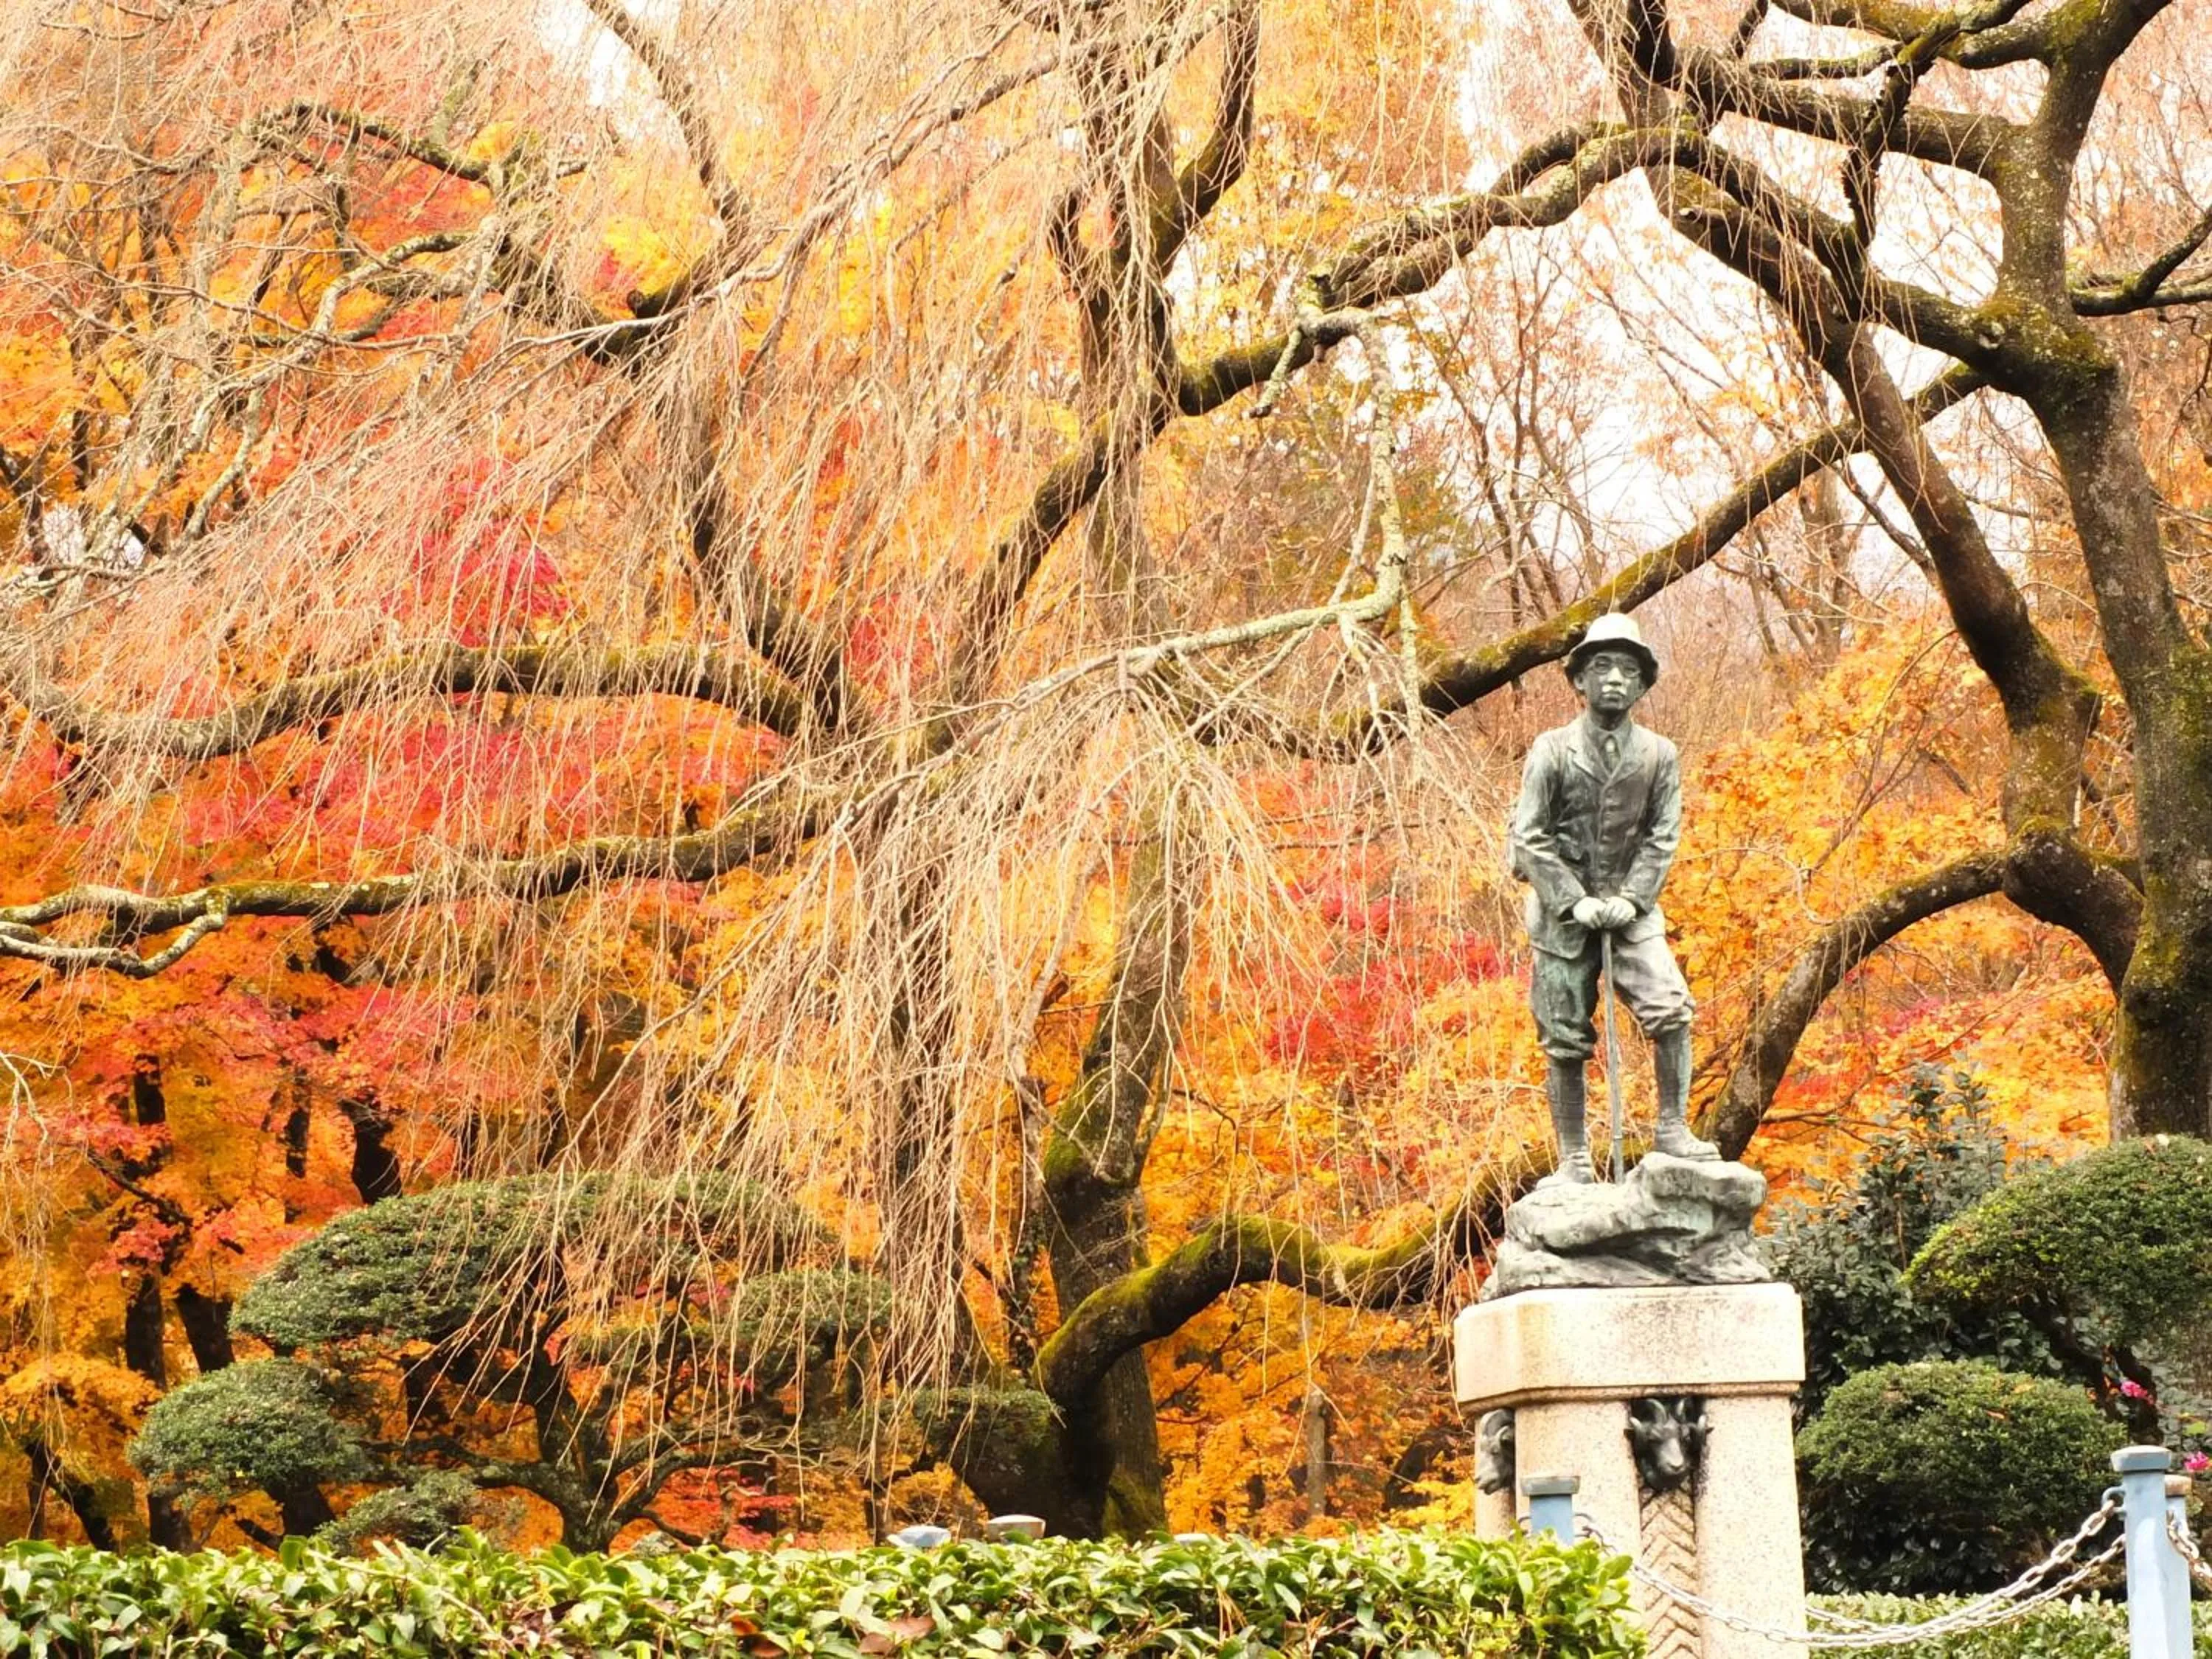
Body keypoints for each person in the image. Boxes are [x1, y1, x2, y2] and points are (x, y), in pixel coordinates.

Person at [1509, 613, 1715, 1183]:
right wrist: (1573, 901)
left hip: (1634, 913)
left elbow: (1662, 835)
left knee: (1671, 1007)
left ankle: (1672, 1128)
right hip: (1560, 916)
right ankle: (1574, 1157)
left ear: (1644, 684)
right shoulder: (1550, 750)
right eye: (1602, 667)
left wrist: (1631, 897)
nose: (1616, 680)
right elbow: (1530, 835)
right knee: (1565, 1034)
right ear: (1579, 680)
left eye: (1629, 669)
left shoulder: (1658, 755)